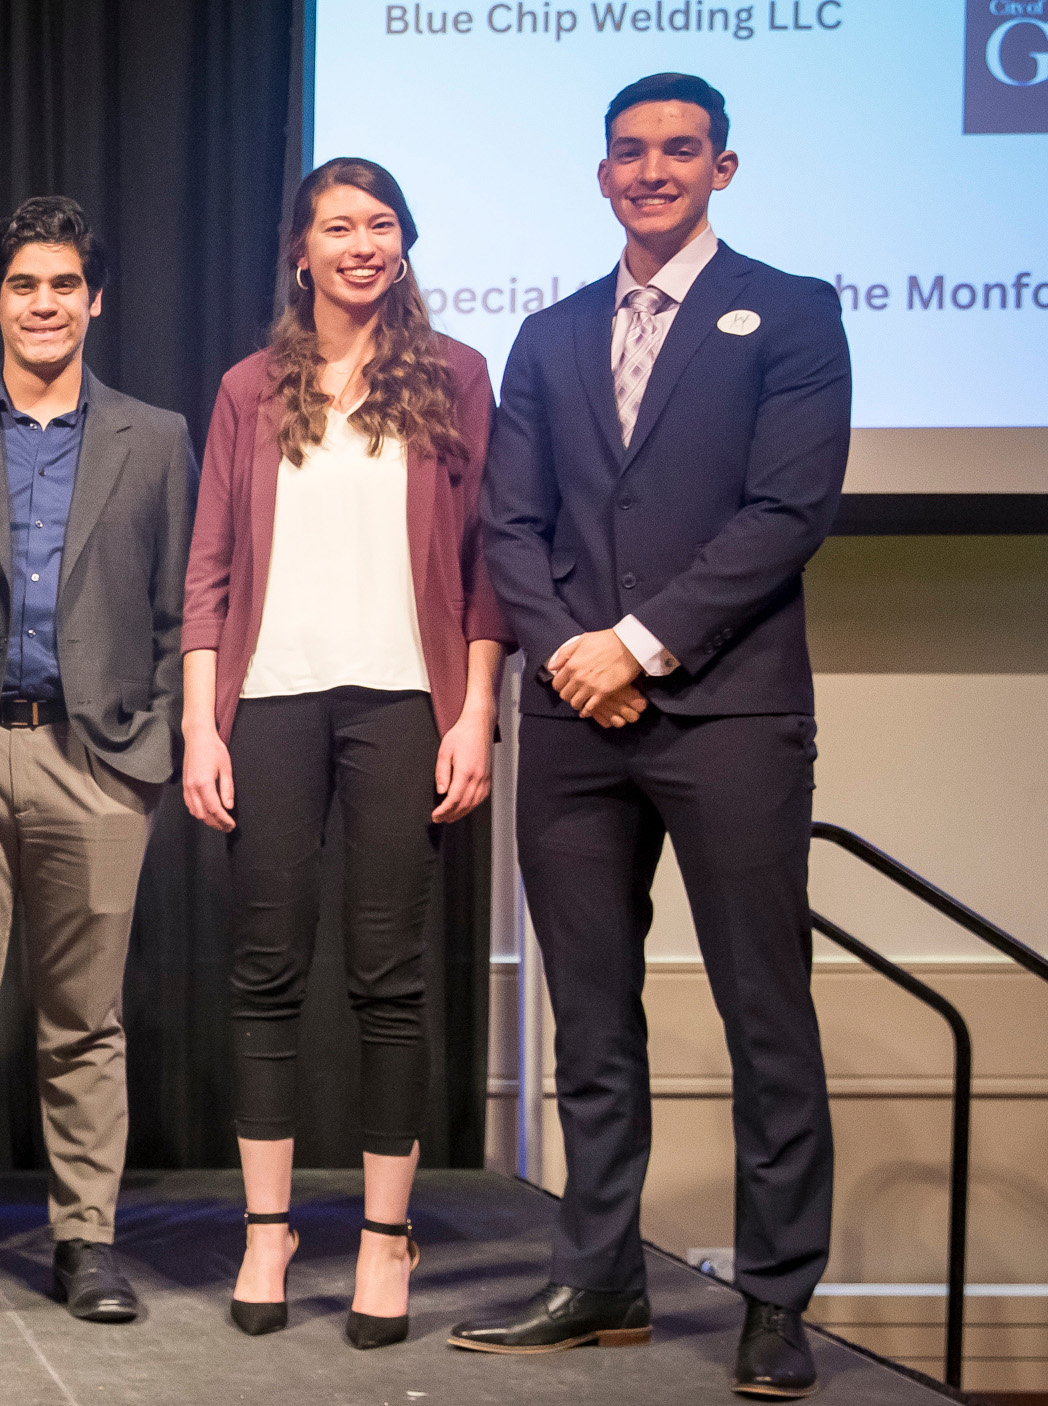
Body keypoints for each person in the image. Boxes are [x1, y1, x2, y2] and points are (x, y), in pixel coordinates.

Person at [457, 73, 847, 1400]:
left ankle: (778, 1299)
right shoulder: (552, 336)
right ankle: (599, 1276)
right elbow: (510, 523)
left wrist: (639, 642)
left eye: (680, 150)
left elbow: (786, 513)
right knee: (590, 1015)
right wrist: (578, 649)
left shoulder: (790, 313)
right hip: (572, 725)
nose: (653, 169)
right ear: (603, 171)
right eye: (631, 152)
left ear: (722, 169)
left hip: (728, 710)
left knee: (765, 1012)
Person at [179, 157, 505, 1351]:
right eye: (337, 225)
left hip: (406, 702)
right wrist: (198, 724)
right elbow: (209, 565)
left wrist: (475, 713)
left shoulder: (459, 377)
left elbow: (486, 569)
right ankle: (269, 1228)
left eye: (382, 225)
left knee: (387, 975)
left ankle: (383, 1235)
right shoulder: (249, 385)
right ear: (300, 251)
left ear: (404, 245)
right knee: (266, 967)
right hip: (267, 703)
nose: (362, 243)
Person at [0, 196, 195, 1327]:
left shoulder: (156, 437)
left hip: (97, 763)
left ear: (94, 300)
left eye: (65, 285)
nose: (45, 304)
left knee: (86, 1021)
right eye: (25, 286)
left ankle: (86, 1241)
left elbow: (177, 610)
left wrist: (152, 747)